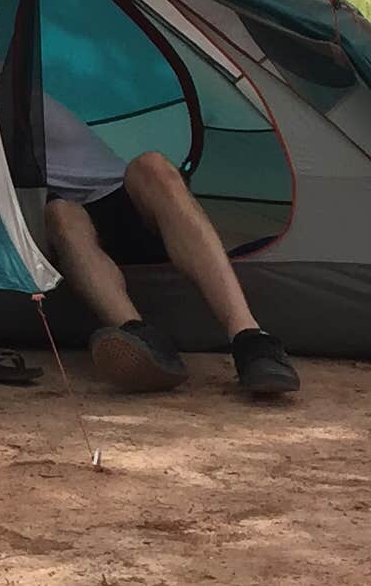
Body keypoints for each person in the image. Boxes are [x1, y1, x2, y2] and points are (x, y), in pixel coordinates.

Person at [35, 93, 301, 399]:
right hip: (62, 217)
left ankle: (251, 338)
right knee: (59, 213)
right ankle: (140, 339)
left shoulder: (8, 86)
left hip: (118, 197)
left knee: (152, 166)